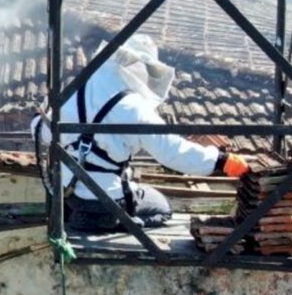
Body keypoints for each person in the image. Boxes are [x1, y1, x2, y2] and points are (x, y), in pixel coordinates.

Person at [31, 35, 249, 233]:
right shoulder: (133, 107)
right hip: (106, 199)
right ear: (141, 67)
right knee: (163, 207)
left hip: (66, 192)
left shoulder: (77, 90)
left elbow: (40, 132)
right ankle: (117, 221)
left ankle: (86, 215)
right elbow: (173, 152)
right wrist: (220, 160)